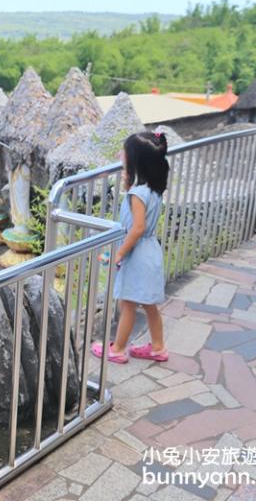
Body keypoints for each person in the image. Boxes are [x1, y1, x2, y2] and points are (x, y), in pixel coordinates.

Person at [92, 131, 170, 364]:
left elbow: (136, 228)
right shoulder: (154, 190)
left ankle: (117, 349)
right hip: (149, 252)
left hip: (136, 254)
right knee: (149, 305)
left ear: (136, 161)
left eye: (125, 152)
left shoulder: (137, 194)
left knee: (127, 304)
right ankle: (158, 348)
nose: (120, 154)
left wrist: (118, 254)